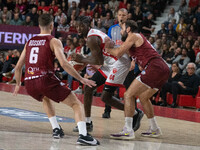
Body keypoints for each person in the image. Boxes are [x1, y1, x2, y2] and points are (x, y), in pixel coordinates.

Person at [13, 14, 99, 146]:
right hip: (45, 79)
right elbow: (64, 64)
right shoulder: (53, 41)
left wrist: (18, 84)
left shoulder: (29, 42)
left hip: (29, 82)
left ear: (39, 26)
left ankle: (56, 129)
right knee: (76, 104)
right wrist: (81, 78)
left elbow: (18, 67)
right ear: (52, 25)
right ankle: (83, 135)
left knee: (45, 98)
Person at [72, 16, 143, 132]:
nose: (78, 28)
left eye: (81, 26)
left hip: (118, 63)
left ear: (88, 25)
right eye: (77, 26)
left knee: (105, 97)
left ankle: (135, 113)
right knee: (89, 88)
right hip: (109, 62)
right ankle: (88, 122)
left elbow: (98, 61)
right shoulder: (91, 35)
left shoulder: (91, 38)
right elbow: (99, 58)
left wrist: (82, 59)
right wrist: (84, 59)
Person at [105, 20, 170, 140]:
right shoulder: (136, 41)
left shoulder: (133, 36)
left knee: (128, 95)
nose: (121, 31)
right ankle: (154, 128)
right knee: (144, 97)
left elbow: (118, 52)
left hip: (154, 67)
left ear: (128, 29)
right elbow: (138, 61)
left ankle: (128, 130)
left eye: (123, 29)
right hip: (163, 69)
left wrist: (106, 48)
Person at [105, 8, 144, 126]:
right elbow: (108, 44)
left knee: (129, 89)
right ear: (117, 16)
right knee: (109, 85)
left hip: (127, 61)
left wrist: (133, 61)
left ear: (128, 16)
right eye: (119, 15)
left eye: (124, 15)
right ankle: (107, 110)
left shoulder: (132, 30)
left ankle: (135, 114)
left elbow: (135, 48)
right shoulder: (112, 28)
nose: (121, 17)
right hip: (114, 60)